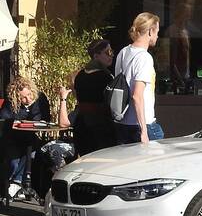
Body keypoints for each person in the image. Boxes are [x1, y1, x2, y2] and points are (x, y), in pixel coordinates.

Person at [58, 39, 116, 156]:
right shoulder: (106, 77)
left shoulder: (80, 75)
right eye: (107, 52)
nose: (111, 55)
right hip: (100, 126)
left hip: (82, 124)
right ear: (96, 56)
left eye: (111, 52)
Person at [114, 12, 163, 144]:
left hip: (123, 123)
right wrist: (144, 131)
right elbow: (137, 95)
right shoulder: (144, 57)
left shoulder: (123, 53)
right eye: (157, 31)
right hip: (142, 124)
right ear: (150, 32)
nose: (157, 36)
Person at [0, 76, 50, 204]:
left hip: (31, 138)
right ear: (16, 97)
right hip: (13, 137)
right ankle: (11, 184)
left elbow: (44, 117)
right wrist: (23, 112)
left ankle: (17, 184)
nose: (27, 99)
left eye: (29, 94)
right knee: (14, 161)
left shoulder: (40, 98)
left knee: (32, 155)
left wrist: (31, 108)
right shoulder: (11, 102)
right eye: (23, 97)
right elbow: (5, 118)